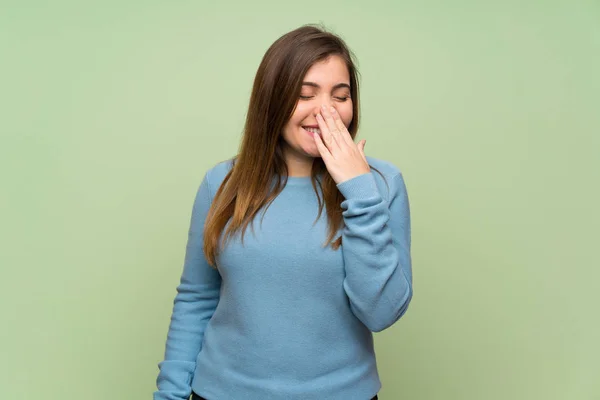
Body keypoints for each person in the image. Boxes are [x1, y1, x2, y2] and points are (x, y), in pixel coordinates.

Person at [154, 24, 413, 400]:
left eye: (340, 97)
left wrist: (358, 191)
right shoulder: (222, 183)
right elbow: (196, 298)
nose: (326, 111)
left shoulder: (381, 184)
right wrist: (170, 395)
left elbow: (381, 312)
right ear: (273, 100)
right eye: (305, 94)